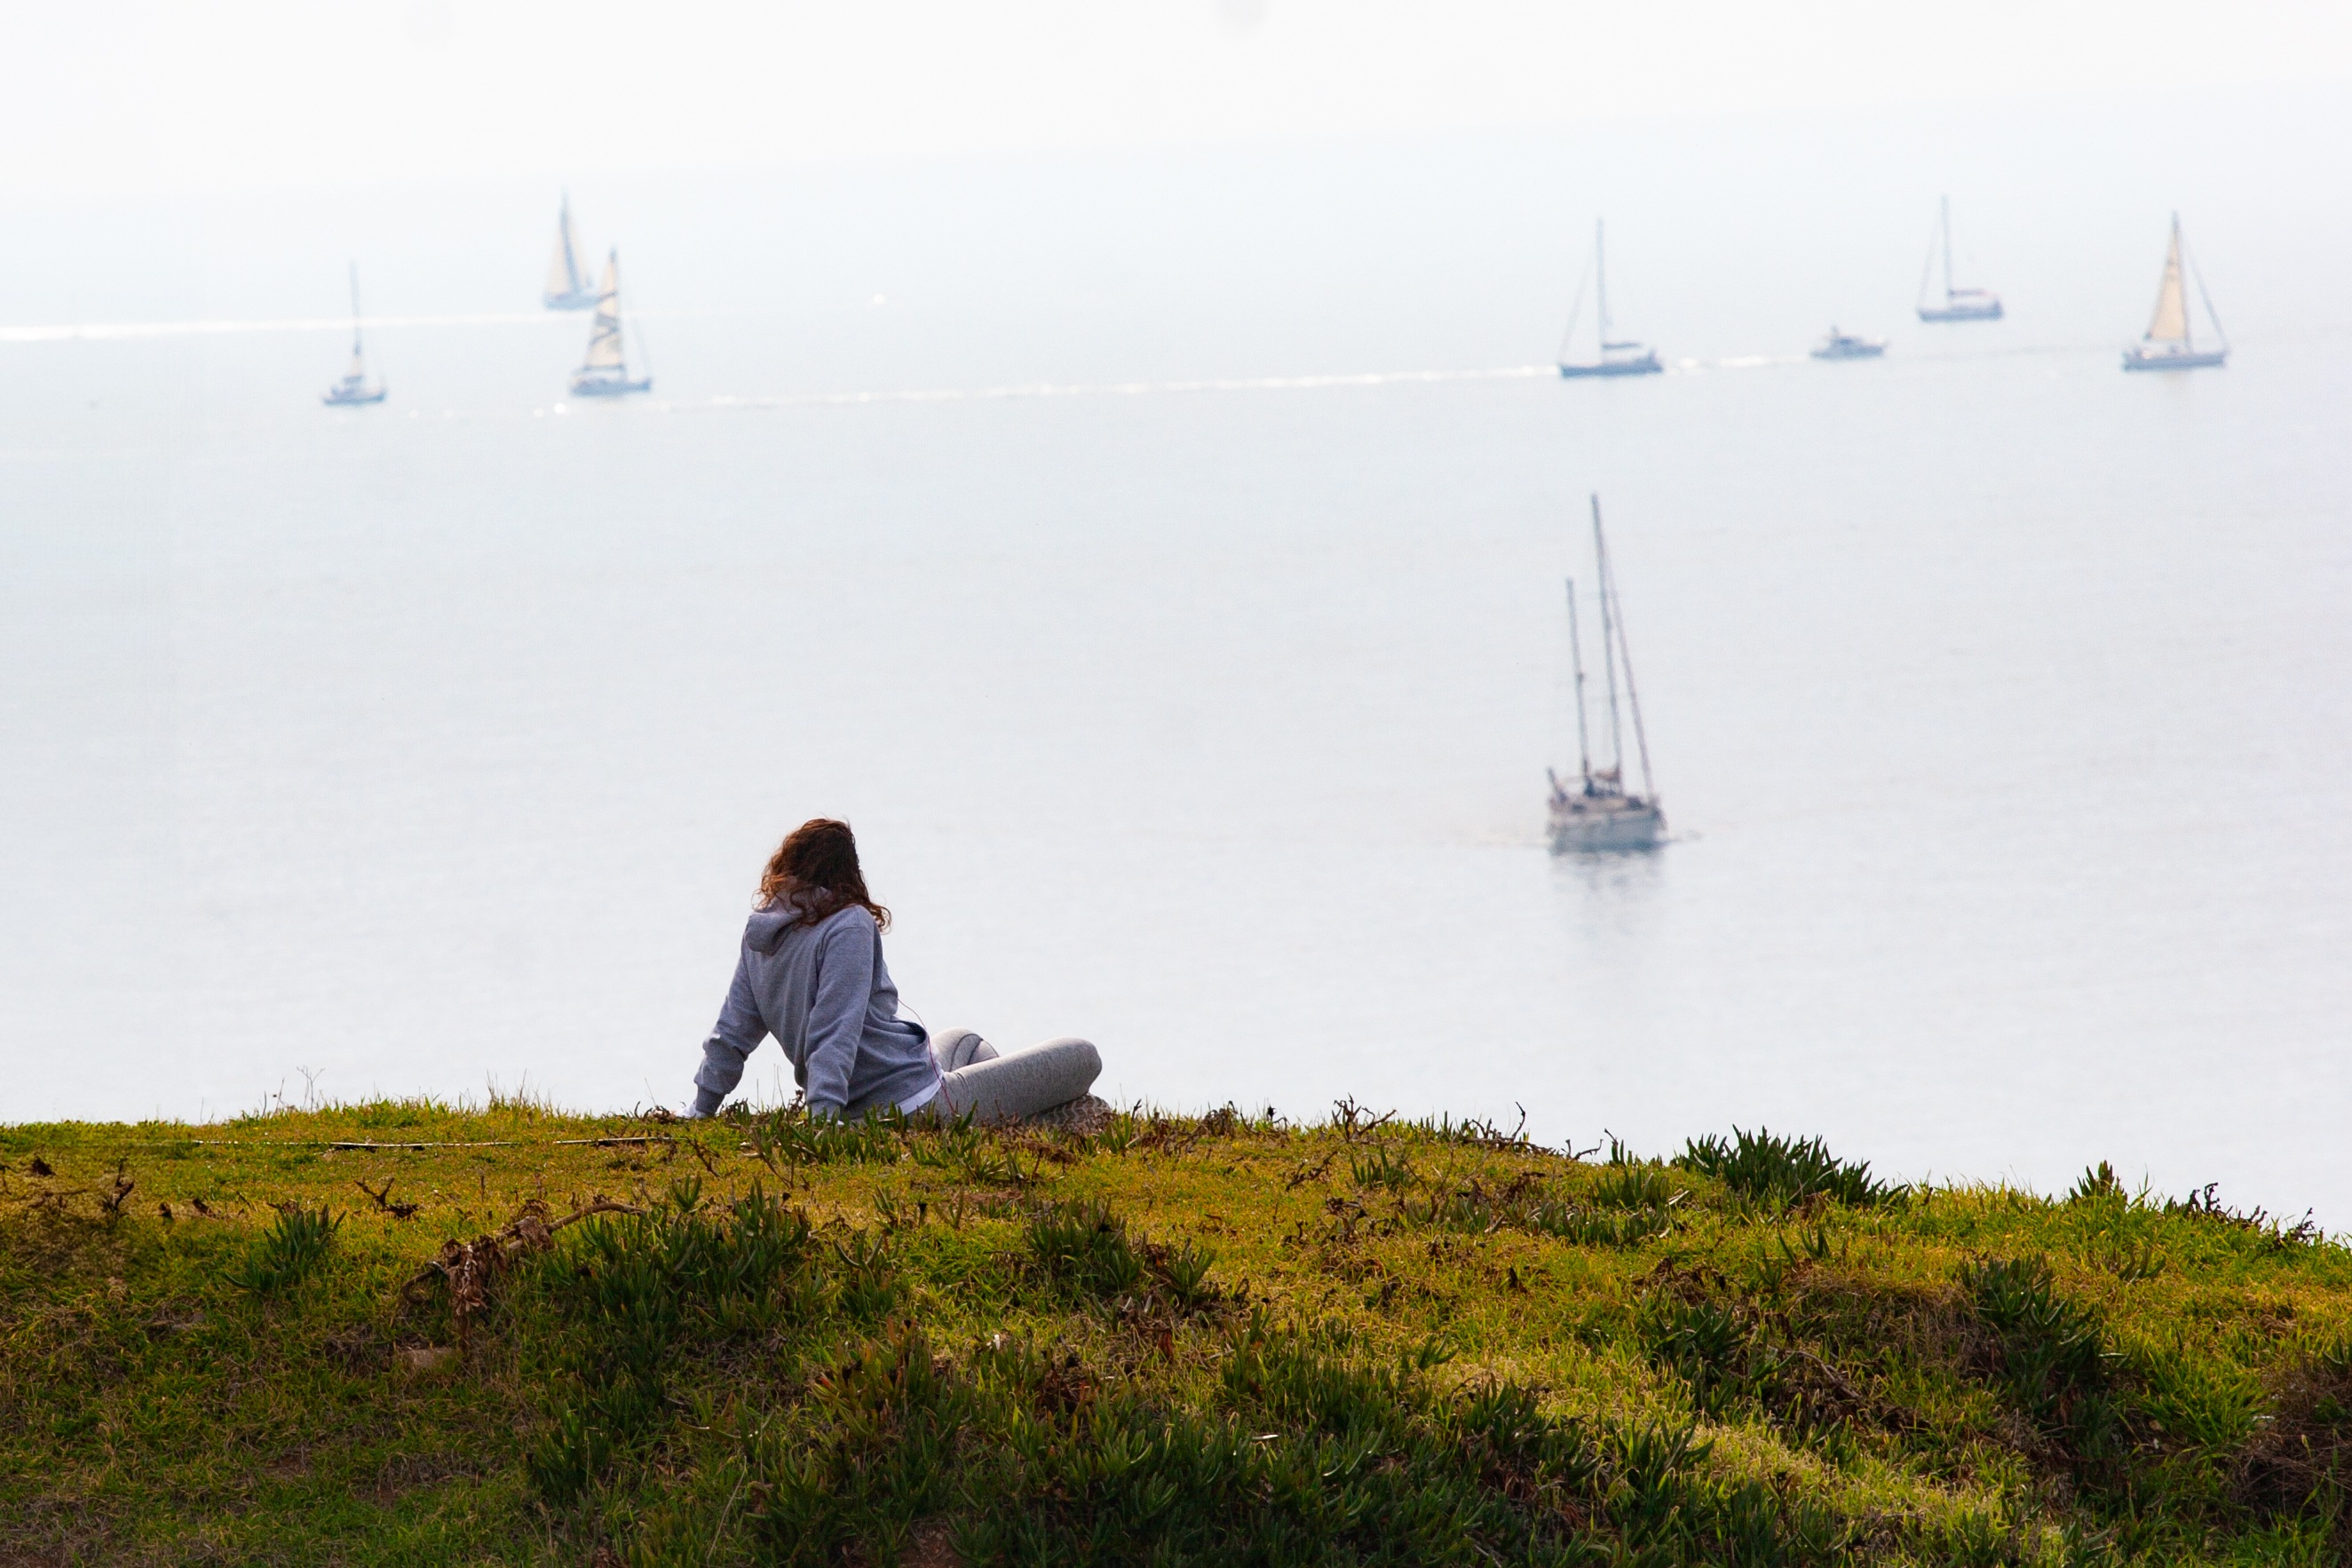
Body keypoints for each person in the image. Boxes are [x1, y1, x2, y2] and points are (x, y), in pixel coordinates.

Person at [689, 818, 1101, 1122]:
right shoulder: (848, 924)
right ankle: (999, 1128)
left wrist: (701, 1109)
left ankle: (999, 1127)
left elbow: (732, 1032)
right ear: (848, 873)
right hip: (909, 1104)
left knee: (964, 1041)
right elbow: (834, 1031)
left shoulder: (762, 930)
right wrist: (823, 1124)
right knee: (1084, 1055)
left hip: (888, 1093)